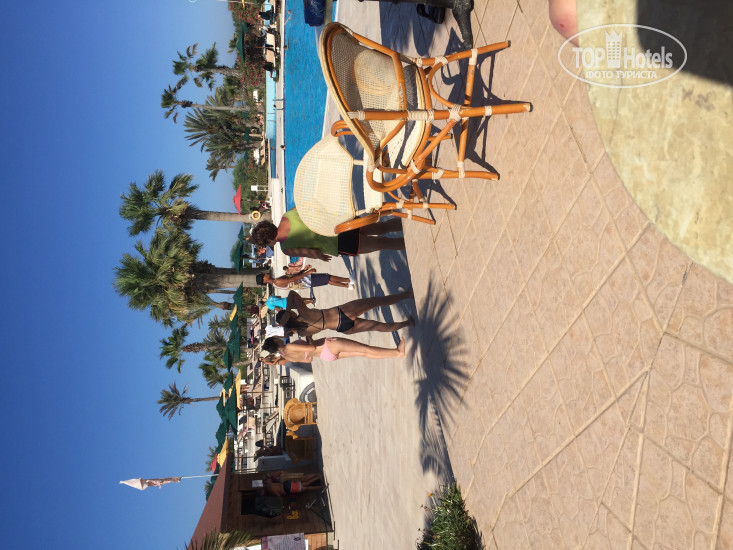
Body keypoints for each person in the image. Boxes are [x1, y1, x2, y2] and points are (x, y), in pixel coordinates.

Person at [249, 207, 404, 260]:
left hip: (338, 243)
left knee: (383, 244)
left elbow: (312, 252)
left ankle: (409, 244)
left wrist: (321, 257)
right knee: (382, 226)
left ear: (268, 240)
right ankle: (407, 222)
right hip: (339, 223)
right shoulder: (287, 215)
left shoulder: (286, 248)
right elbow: (309, 206)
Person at [277, 289, 414, 337]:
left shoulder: (302, 333)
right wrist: (287, 310)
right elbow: (292, 293)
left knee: (378, 327)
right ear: (290, 315)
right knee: (377, 301)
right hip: (342, 312)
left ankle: (408, 323)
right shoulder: (303, 313)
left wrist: (288, 326)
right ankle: (407, 295)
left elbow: (308, 337)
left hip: (342, 328)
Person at [262, 335, 406, 364]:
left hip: (325, 356)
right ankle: (397, 352)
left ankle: (396, 355)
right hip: (328, 346)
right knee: (365, 348)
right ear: (275, 340)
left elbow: (309, 359)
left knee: (363, 353)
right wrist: (308, 336)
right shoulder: (288, 347)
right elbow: (311, 347)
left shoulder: (286, 356)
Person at [256, 269, 352, 290]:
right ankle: (348, 280)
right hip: (307, 280)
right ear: (264, 280)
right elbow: (293, 279)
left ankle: (347, 286)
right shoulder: (277, 281)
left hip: (306, 282)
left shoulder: (276, 282)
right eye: (263, 275)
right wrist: (307, 273)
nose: (265, 273)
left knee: (328, 281)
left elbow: (292, 277)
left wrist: (304, 270)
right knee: (328, 277)